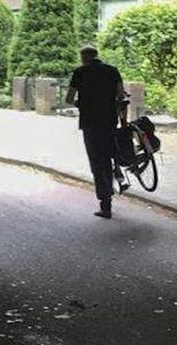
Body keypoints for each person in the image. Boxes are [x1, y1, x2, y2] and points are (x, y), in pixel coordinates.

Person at [66, 46, 127, 219]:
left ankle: (105, 203)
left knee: (96, 162)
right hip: (109, 122)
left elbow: (69, 98)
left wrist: (82, 104)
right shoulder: (112, 71)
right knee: (107, 157)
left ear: (83, 57)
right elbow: (121, 95)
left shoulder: (80, 72)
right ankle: (116, 178)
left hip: (89, 124)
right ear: (96, 56)